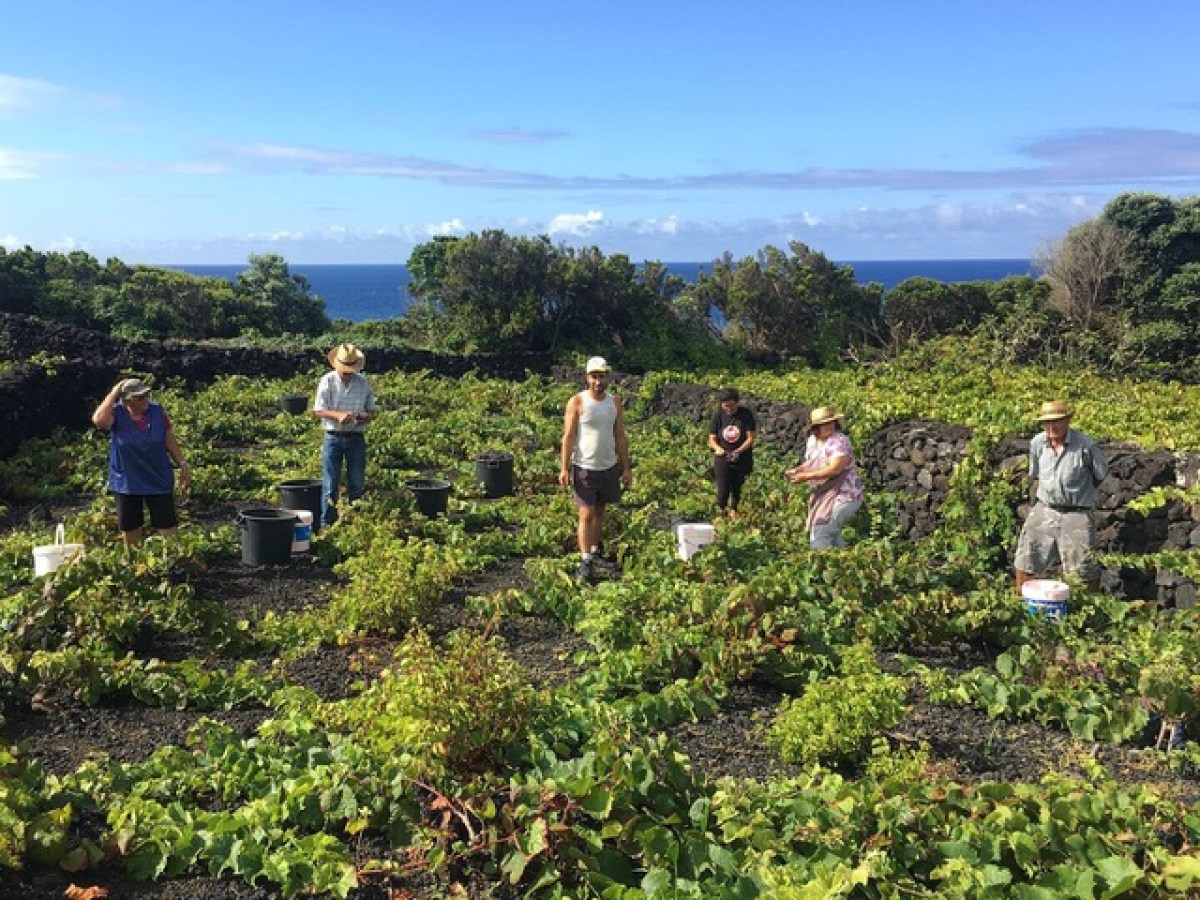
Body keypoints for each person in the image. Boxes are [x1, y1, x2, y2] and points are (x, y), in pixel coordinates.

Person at [1014, 399, 1108, 592]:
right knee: (1026, 558)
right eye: (1047, 422)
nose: (1051, 426)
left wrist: (1078, 494)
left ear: (1067, 421)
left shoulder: (1085, 446)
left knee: (1084, 569)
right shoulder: (1038, 443)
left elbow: (1100, 475)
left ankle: (1087, 612)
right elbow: (1035, 472)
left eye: (1056, 421)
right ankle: (1024, 604)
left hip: (1077, 513)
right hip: (1045, 508)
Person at [92, 377, 191, 548]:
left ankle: (174, 560)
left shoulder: (157, 412)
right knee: (131, 527)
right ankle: (134, 563)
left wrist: (183, 464)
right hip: (127, 481)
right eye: (139, 397)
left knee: (167, 525)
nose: (145, 399)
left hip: (157, 476)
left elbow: (169, 440)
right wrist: (115, 390)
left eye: (146, 395)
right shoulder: (116, 414)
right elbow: (98, 420)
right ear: (127, 400)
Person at [559, 356, 632, 581]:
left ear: (607, 377)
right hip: (584, 466)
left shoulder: (614, 403)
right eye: (594, 377)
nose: (598, 381)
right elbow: (569, 436)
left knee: (599, 511)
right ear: (587, 378)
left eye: (602, 377)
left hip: (608, 466)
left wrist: (626, 467)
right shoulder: (577, 402)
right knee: (586, 513)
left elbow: (620, 436)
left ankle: (592, 550)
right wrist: (564, 468)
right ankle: (585, 561)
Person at [313, 343, 377, 527]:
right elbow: (318, 410)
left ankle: (354, 523)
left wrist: (365, 417)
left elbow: (371, 410)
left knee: (356, 483)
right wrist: (338, 415)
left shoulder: (363, 382)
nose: (347, 372)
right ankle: (327, 524)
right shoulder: (327, 381)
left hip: (356, 437)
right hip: (333, 437)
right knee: (330, 485)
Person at [786, 406, 864, 549]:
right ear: (816, 428)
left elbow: (835, 469)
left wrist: (805, 477)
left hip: (844, 494)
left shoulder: (838, 441)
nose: (830, 426)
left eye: (832, 422)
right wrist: (797, 471)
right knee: (832, 535)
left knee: (820, 532)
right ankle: (844, 565)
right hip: (825, 492)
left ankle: (823, 565)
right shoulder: (813, 441)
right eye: (825, 424)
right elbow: (812, 463)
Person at [708, 387, 756, 518]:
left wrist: (738, 451)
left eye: (731, 406)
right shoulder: (718, 416)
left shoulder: (745, 415)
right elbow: (711, 439)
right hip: (723, 458)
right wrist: (718, 449)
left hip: (742, 457)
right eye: (725, 406)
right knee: (722, 491)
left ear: (737, 402)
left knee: (738, 490)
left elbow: (750, 438)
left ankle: (735, 514)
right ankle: (720, 515)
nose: (728, 409)